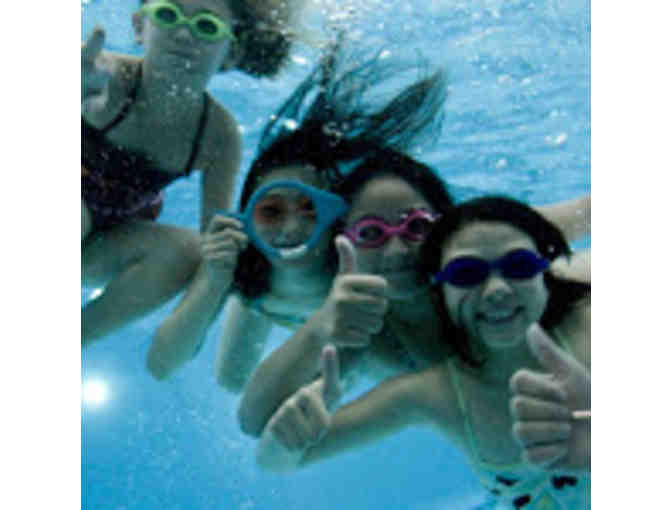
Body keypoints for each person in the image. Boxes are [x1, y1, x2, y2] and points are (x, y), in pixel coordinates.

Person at [256, 196, 590, 509]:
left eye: (519, 266)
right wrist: (285, 437)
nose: (497, 289)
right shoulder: (436, 394)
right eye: (466, 274)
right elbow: (277, 464)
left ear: (544, 272)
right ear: (439, 291)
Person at [144, 41, 451, 381]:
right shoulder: (238, 262)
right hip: (258, 303)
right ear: (248, 219)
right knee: (231, 380)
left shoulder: (361, 261)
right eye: (271, 212)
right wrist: (213, 280)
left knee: (350, 372)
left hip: (329, 322)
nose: (290, 228)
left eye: (309, 210)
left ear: (338, 217)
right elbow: (161, 364)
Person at [237, 156, 589, 437]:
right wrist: (321, 325)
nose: (396, 250)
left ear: (446, 226)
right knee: (230, 374)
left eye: (417, 227)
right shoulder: (365, 328)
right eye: (371, 233)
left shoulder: (490, 248)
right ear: (343, 241)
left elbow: (586, 211)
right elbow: (254, 421)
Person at [81, 0, 304, 346]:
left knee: (192, 250)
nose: (184, 33)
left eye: (207, 26)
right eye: (167, 14)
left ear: (231, 52)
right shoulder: (104, 76)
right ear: (140, 27)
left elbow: (215, 242)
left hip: (103, 246)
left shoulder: (217, 136)